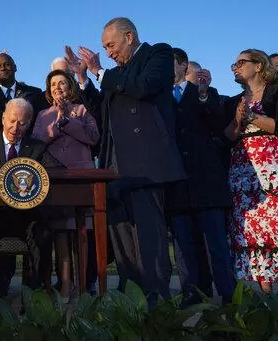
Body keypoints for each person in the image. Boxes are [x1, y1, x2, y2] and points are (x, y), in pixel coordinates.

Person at [65, 17, 186, 305]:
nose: (107, 53)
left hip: (145, 165)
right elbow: (99, 111)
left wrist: (98, 71)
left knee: (148, 236)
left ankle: (157, 300)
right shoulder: (115, 74)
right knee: (121, 237)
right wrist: (84, 78)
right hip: (114, 166)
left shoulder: (157, 53)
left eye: (110, 45)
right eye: (104, 48)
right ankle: (130, 298)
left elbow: (143, 87)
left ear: (129, 36)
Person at [0, 98, 59, 295]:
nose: (16, 127)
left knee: (44, 236)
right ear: (3, 119)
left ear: (29, 124)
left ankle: (35, 298)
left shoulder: (37, 148)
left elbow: (53, 171)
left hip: (27, 218)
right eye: (12, 121)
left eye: (22, 123)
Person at [167, 48, 234, 305]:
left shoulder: (207, 94)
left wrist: (204, 93)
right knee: (184, 247)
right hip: (177, 184)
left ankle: (229, 296)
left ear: (183, 66)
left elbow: (218, 128)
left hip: (206, 183)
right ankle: (192, 294)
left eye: (170, 63)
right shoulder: (160, 97)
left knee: (215, 244)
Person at [32, 69, 99, 302]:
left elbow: (93, 137)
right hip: (54, 179)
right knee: (61, 229)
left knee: (82, 230)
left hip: (81, 179)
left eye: (61, 83)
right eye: (53, 85)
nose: (57, 88)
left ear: (70, 87)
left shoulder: (81, 110)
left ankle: (83, 284)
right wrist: (56, 122)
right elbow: (37, 141)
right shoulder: (42, 115)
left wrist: (68, 120)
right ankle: (65, 282)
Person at [224, 49, 278, 294]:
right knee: (251, 230)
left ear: (258, 66)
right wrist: (237, 120)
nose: (235, 67)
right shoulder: (235, 100)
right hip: (242, 171)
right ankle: (264, 298)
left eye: (241, 62)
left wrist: (252, 116)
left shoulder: (274, 93)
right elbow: (227, 136)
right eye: (233, 64)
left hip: (270, 170)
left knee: (272, 228)